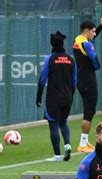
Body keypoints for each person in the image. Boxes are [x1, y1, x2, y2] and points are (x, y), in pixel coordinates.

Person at [36, 31, 76, 162]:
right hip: (68, 97)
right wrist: (71, 95)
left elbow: (43, 79)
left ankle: (57, 155)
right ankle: (68, 145)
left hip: (54, 98)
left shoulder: (50, 58)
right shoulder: (71, 59)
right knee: (63, 122)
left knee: (53, 124)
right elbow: (74, 81)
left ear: (52, 44)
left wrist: (39, 96)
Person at [73, 17, 102, 153]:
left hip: (82, 79)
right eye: (93, 32)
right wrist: (97, 66)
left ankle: (85, 142)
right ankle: (82, 144)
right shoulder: (86, 45)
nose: (94, 34)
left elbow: (89, 41)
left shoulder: (78, 40)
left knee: (89, 110)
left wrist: (100, 27)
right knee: (89, 111)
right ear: (86, 31)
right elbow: (94, 59)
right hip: (88, 80)